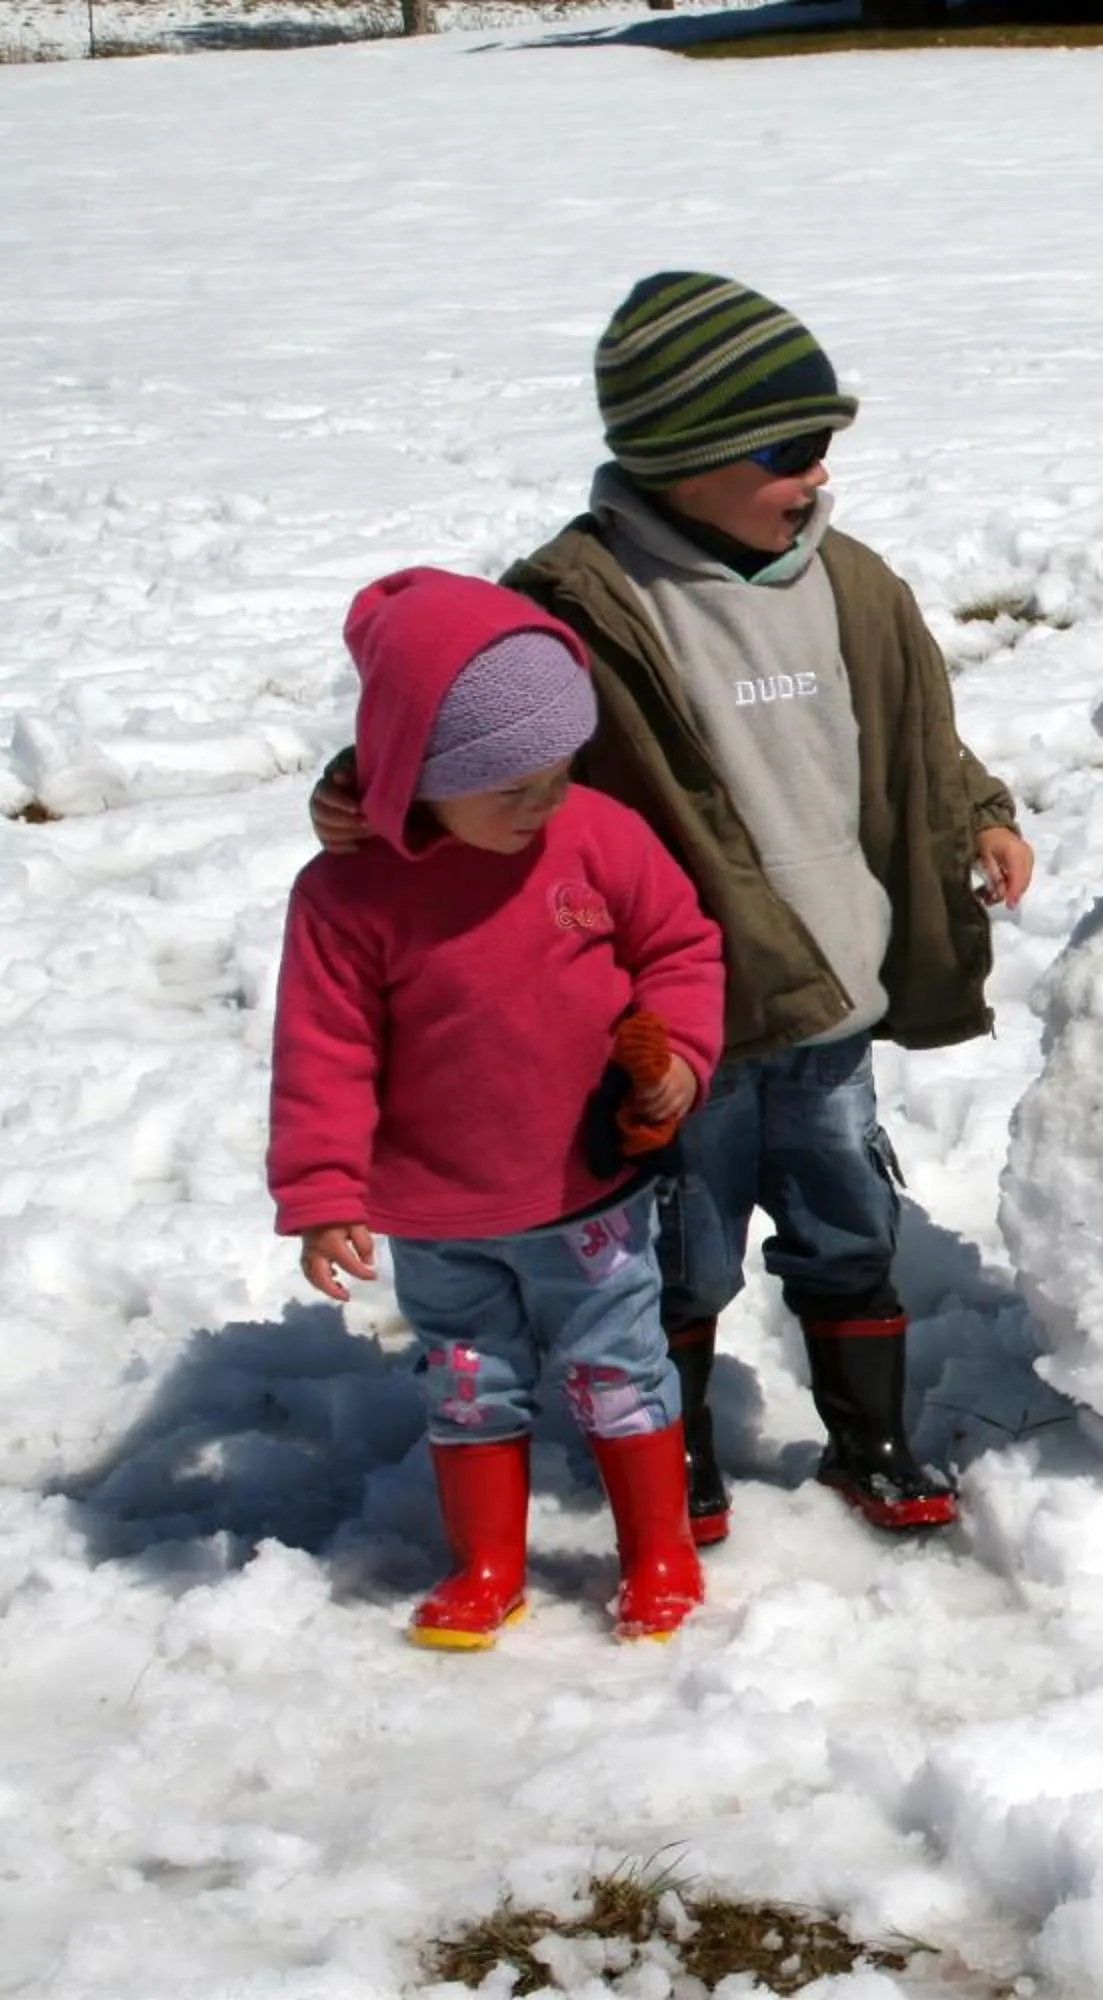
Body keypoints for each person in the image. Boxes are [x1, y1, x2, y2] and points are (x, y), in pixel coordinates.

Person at [315, 272, 1034, 1543]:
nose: (816, 472)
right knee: (679, 1252)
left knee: (848, 1226)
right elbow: (457, 706)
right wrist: (371, 786)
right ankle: (677, 1443)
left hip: (833, 995)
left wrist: (975, 808)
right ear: (683, 458)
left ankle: (870, 1438)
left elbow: (918, 731)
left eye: (823, 444)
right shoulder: (576, 602)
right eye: (786, 448)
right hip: (676, 1016)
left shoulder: (854, 583)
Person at [271, 568, 725, 1647]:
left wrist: (678, 1056)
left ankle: (657, 1550)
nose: (543, 803)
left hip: (589, 1188)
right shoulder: (346, 896)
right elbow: (323, 1050)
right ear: (419, 776)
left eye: (559, 774)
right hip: (438, 1214)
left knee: (622, 1368)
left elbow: (681, 947)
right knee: (469, 1382)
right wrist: (323, 1191)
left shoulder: (598, 837)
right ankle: (486, 1564)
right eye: (511, 786)